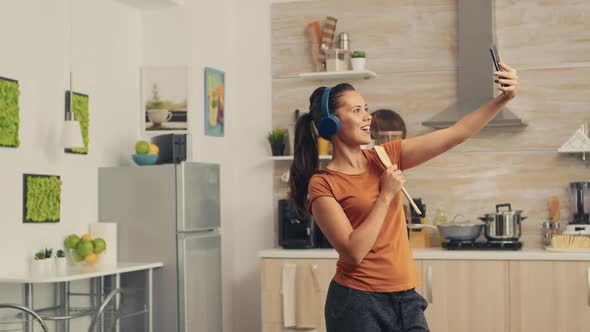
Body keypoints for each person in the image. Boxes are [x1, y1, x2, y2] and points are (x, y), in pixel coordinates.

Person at [288, 62, 518, 331]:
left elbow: (457, 133)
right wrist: (385, 195)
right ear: (331, 123)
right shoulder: (323, 183)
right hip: (357, 302)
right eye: (357, 110)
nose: (367, 117)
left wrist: (504, 98)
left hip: (406, 297)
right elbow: (352, 252)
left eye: (366, 109)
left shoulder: (386, 156)